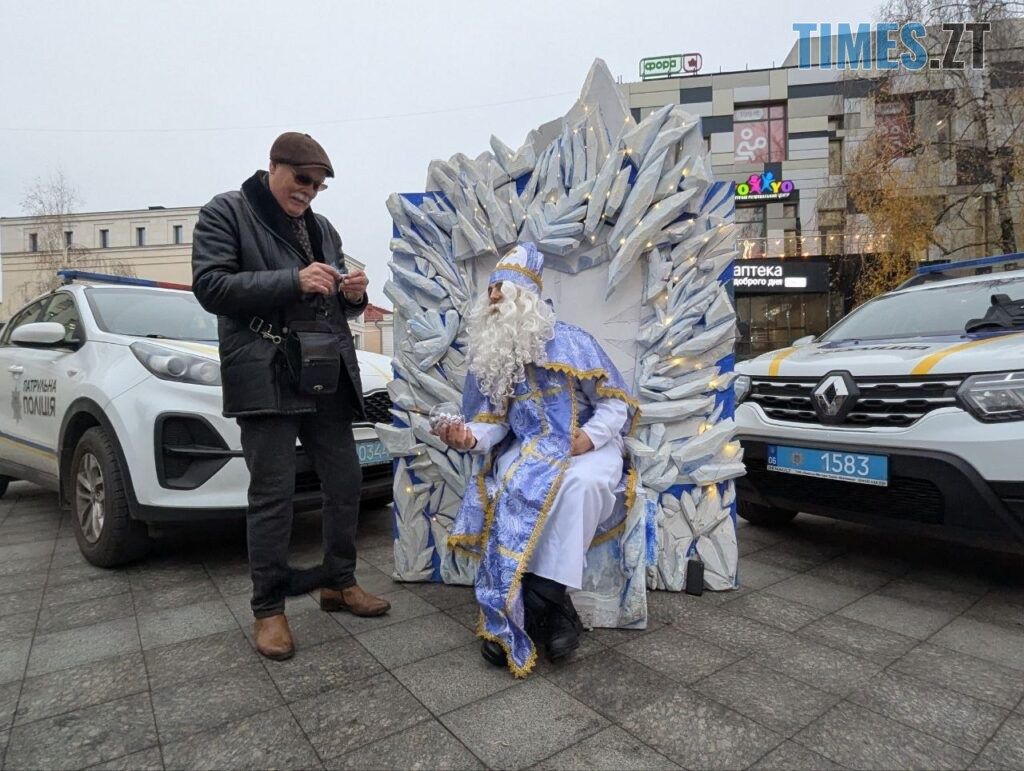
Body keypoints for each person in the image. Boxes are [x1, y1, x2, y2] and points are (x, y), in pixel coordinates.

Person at [192, 132, 391, 661]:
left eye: (318, 185)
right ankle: (269, 609)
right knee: (273, 495)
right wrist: (293, 280)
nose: (310, 191)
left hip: (323, 372)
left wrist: (355, 295)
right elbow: (210, 287)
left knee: (345, 481)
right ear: (274, 166)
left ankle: (338, 582)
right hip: (265, 371)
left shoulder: (323, 228)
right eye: (303, 179)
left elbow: (334, 302)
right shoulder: (227, 212)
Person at [437, 242, 638, 677]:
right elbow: (495, 426)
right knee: (512, 485)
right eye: (489, 293)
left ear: (524, 299)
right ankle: (553, 608)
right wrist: (467, 438)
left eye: (500, 294)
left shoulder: (572, 341)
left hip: (585, 446)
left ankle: (539, 597)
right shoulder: (493, 359)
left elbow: (615, 404)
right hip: (527, 448)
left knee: (580, 485)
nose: (492, 302)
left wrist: (590, 437)